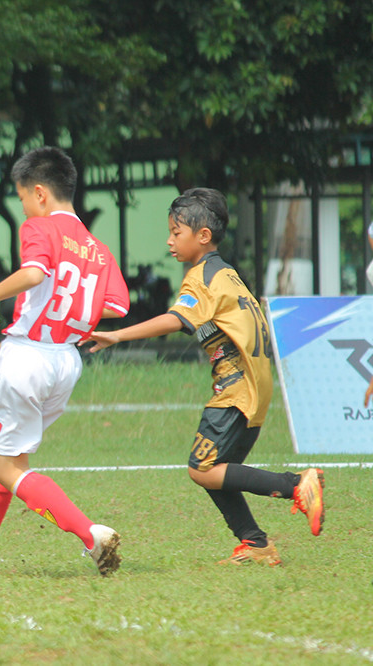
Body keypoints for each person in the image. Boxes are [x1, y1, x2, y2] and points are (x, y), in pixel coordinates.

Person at [86, 187, 324, 566]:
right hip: (257, 387)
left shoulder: (202, 277)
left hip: (235, 389)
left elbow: (175, 319)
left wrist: (117, 334)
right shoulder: (228, 274)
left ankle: (296, 484)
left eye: (175, 232)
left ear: (203, 236)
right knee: (217, 470)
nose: (169, 241)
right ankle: (256, 544)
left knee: (203, 470)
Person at [0, 147, 130, 578]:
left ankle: (89, 534)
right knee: (7, 456)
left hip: (27, 355)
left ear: (40, 193)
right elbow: (118, 306)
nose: (23, 206)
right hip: (67, 360)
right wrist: (77, 318)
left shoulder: (39, 227)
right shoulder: (97, 248)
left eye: (22, 197)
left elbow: (34, 274)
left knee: (8, 464)